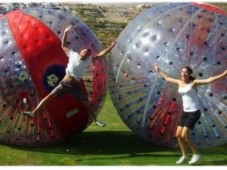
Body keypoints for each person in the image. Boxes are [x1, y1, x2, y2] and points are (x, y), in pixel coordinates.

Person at [24, 25, 117, 127]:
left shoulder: (88, 61)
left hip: (75, 86)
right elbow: (63, 46)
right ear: (81, 51)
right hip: (64, 83)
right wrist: (65, 32)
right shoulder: (73, 55)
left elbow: (100, 55)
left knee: (86, 103)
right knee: (49, 97)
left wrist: (112, 46)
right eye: (85, 51)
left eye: (87, 53)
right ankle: (34, 112)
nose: (85, 54)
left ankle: (96, 120)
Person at [152, 64, 227, 165]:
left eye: (186, 72)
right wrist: (158, 70)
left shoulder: (194, 83)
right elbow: (168, 78)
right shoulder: (179, 82)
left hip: (194, 112)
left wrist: (223, 74)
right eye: (182, 72)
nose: (183, 73)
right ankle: (184, 156)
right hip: (185, 112)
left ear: (189, 74)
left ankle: (197, 154)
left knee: (185, 135)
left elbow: (209, 80)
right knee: (178, 135)